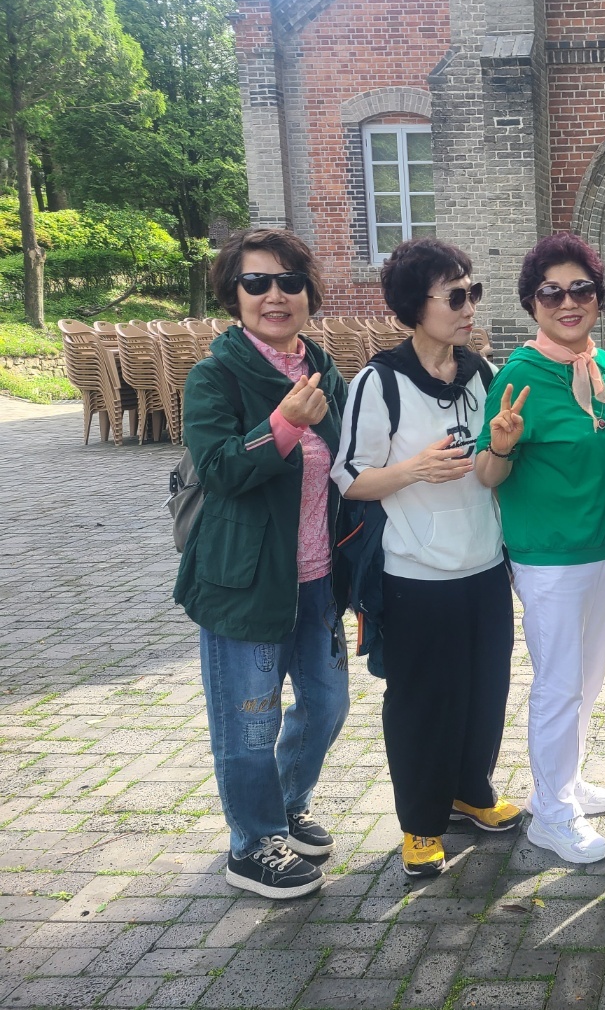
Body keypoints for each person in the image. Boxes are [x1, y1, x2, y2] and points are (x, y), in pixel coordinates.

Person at [331, 238, 520, 880]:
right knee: (421, 703)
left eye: (474, 292)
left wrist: (501, 449)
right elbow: (349, 478)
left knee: (485, 691)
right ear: (416, 306)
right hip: (414, 575)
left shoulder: (483, 375)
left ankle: (471, 791)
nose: (470, 308)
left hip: (485, 567)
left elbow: (490, 474)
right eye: (455, 296)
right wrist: (411, 470)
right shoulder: (379, 382)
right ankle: (420, 823)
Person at [174, 228, 349, 899]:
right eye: (257, 282)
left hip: (317, 578)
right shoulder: (214, 377)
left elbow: (348, 465)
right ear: (235, 294)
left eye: (289, 282)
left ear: (307, 293)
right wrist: (283, 424)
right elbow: (220, 470)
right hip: (244, 582)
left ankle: (284, 805)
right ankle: (251, 844)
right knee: (250, 722)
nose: (275, 295)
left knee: (327, 706)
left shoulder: (323, 369)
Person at [474, 232, 605, 865]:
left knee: (587, 679)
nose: (568, 303)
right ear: (532, 303)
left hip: (600, 548)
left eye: (581, 290)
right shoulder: (521, 374)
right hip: (547, 557)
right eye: (551, 293)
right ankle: (551, 812)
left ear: (597, 297)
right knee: (559, 683)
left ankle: (566, 781)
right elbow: (486, 473)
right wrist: (502, 444)